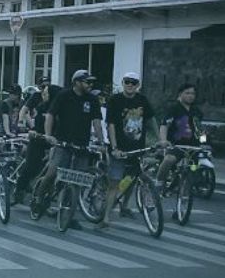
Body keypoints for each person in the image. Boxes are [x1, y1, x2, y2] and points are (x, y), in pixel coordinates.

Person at [34, 70, 105, 216]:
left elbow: (97, 122)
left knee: (77, 180)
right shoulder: (64, 96)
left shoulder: (92, 99)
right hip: (62, 142)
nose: (90, 85)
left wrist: (101, 141)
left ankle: (68, 213)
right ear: (77, 82)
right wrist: (48, 135)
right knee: (52, 173)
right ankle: (38, 199)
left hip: (82, 144)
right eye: (87, 82)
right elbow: (50, 115)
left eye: (91, 82)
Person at [100, 71, 157, 229]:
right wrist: (115, 147)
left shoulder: (142, 100)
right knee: (115, 183)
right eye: (127, 81)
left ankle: (124, 207)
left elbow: (151, 119)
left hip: (136, 148)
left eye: (133, 82)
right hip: (120, 148)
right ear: (123, 82)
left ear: (138, 85)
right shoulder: (115, 100)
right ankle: (105, 218)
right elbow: (110, 124)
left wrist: (160, 140)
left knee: (133, 178)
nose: (130, 85)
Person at [13, 84, 62, 204]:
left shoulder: (61, 108)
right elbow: (33, 119)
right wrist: (32, 131)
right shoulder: (42, 106)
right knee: (31, 167)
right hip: (38, 139)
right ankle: (19, 190)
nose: (43, 95)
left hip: (55, 142)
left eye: (46, 93)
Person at [156, 83, 204, 188]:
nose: (190, 96)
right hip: (176, 145)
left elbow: (200, 129)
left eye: (193, 94)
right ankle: (159, 182)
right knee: (169, 160)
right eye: (187, 93)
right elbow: (164, 125)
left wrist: (204, 142)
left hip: (192, 146)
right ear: (180, 94)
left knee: (194, 167)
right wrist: (163, 140)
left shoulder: (196, 111)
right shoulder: (173, 108)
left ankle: (187, 187)